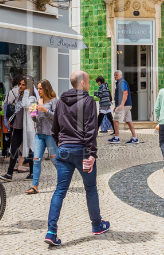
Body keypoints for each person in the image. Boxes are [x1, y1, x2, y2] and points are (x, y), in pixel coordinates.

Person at [45, 71, 110, 246]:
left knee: (60, 190)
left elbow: (54, 129)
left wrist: (61, 145)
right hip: (82, 150)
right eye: (88, 82)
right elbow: (91, 129)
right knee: (90, 188)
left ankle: (51, 231)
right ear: (82, 83)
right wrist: (92, 153)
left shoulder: (60, 102)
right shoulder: (88, 101)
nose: (89, 85)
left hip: (64, 151)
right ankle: (97, 225)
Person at [27, 79, 58, 195]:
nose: (38, 90)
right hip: (39, 135)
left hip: (50, 135)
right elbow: (35, 119)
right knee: (36, 160)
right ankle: (34, 186)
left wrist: (45, 110)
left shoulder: (54, 101)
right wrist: (32, 114)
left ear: (46, 89)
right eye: (38, 88)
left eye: (40, 88)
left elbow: (57, 118)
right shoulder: (37, 101)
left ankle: (62, 183)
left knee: (55, 159)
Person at [1, 75, 33, 181]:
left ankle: (32, 173)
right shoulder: (18, 96)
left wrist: (27, 93)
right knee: (13, 149)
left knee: (29, 151)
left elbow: (26, 107)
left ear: (27, 86)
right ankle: (9, 174)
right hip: (17, 127)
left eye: (23, 85)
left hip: (27, 128)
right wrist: (11, 120)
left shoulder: (32, 97)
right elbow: (17, 110)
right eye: (20, 84)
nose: (20, 86)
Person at [109, 70, 138, 144]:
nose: (115, 76)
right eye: (114, 75)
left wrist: (121, 105)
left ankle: (116, 138)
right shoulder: (120, 82)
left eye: (116, 75)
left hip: (124, 105)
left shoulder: (122, 82)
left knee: (115, 120)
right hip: (127, 105)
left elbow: (125, 94)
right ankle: (134, 138)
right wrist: (116, 106)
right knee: (129, 121)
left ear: (120, 75)